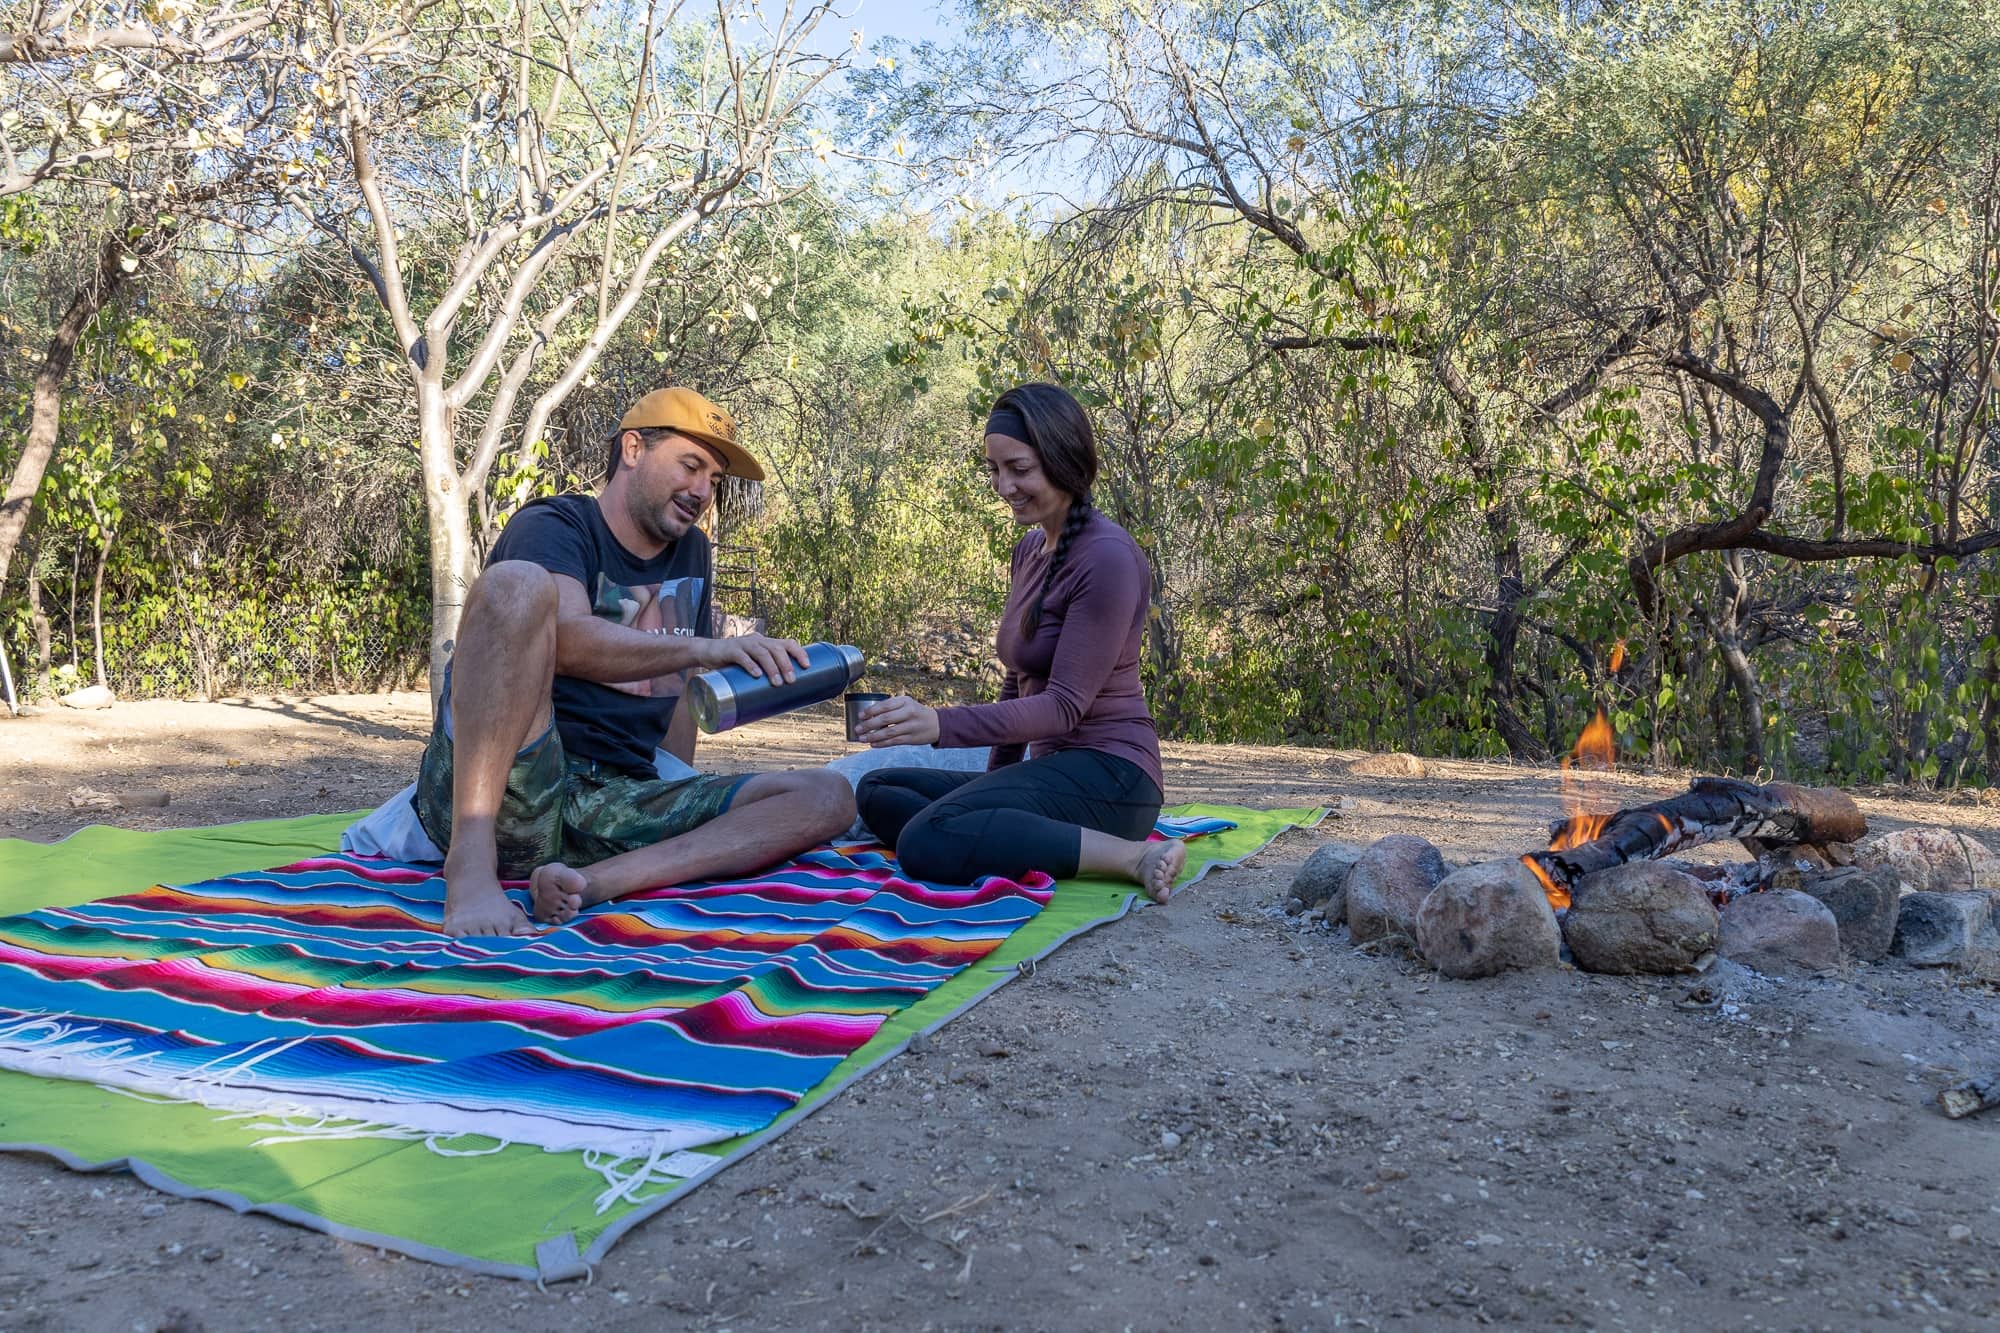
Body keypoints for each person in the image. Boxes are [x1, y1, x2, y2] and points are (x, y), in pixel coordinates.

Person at [419, 386, 855, 936]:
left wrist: (683, 786)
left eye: (714, 481)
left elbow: (678, 690)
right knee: (516, 584)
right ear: (632, 449)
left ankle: (592, 882)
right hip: (519, 781)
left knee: (828, 795)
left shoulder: (693, 551)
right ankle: (471, 866)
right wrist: (709, 646)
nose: (702, 491)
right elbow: (571, 639)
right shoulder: (555, 525)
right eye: (691, 466)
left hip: (617, 799)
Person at [851, 383, 1185, 900]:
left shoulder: (1108, 558)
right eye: (994, 470)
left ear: (1064, 460)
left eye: (1020, 469)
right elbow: (1017, 678)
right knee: (876, 791)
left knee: (925, 840)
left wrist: (940, 724)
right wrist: (995, 779)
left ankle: (1136, 855)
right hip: (1049, 770)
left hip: (1112, 779)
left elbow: (1063, 708)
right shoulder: (1031, 549)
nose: (1005, 486)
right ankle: (1000, 831)